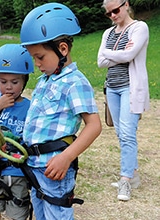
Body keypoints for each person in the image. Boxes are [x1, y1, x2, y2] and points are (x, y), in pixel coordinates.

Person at [18, 3, 102, 219]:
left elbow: (94, 126)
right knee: (40, 213)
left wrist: (66, 157)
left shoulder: (75, 83)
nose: (36, 63)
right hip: (35, 166)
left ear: (62, 49)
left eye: (40, 57)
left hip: (54, 167)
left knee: (56, 213)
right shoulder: (45, 80)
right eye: (33, 58)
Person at [97, 0, 149, 201]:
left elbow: (130, 55)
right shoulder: (108, 33)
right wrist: (119, 55)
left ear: (126, 5)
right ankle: (133, 174)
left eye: (115, 10)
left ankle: (125, 180)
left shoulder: (139, 28)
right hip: (112, 87)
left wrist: (112, 54)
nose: (113, 16)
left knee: (127, 134)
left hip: (131, 87)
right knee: (120, 133)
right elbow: (100, 62)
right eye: (108, 13)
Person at [0, 44, 34, 220]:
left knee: (18, 212)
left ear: (24, 81)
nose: (9, 87)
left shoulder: (29, 108)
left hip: (18, 173)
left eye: (15, 82)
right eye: (3, 82)